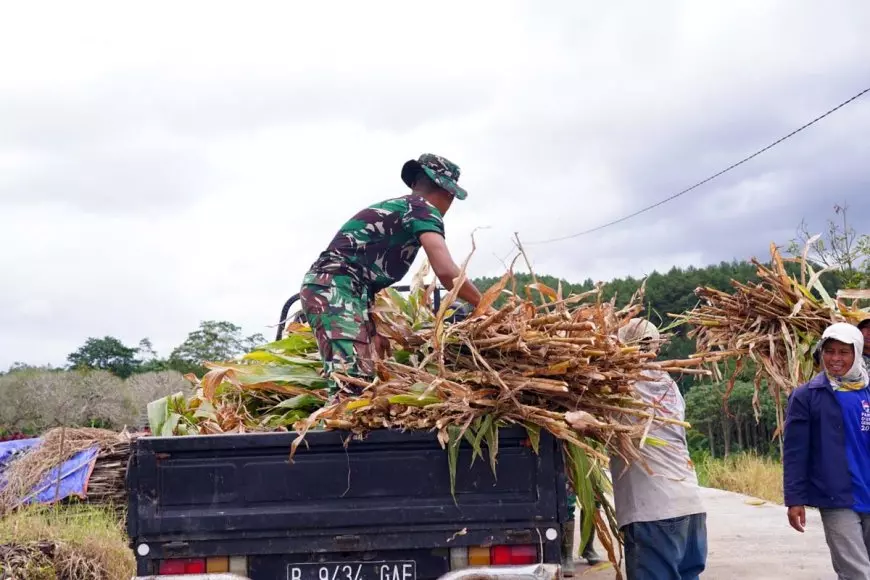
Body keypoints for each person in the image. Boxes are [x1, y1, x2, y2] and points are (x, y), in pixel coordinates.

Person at [299, 153, 485, 400]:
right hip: (334, 289)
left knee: (366, 379)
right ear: (447, 192)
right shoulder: (422, 209)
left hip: (346, 291)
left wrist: (374, 328)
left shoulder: (406, 208)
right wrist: (486, 307)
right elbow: (446, 272)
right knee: (351, 385)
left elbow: (362, 273)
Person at [568, 318, 707, 580]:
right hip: (691, 507)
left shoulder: (623, 386)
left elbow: (585, 417)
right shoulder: (668, 384)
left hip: (654, 512)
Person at [784, 322, 870, 578]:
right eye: (829, 351)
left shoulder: (867, 390)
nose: (835, 359)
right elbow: (795, 452)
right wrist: (794, 499)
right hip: (836, 497)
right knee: (856, 573)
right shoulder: (807, 396)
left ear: (857, 353)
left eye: (843, 352)